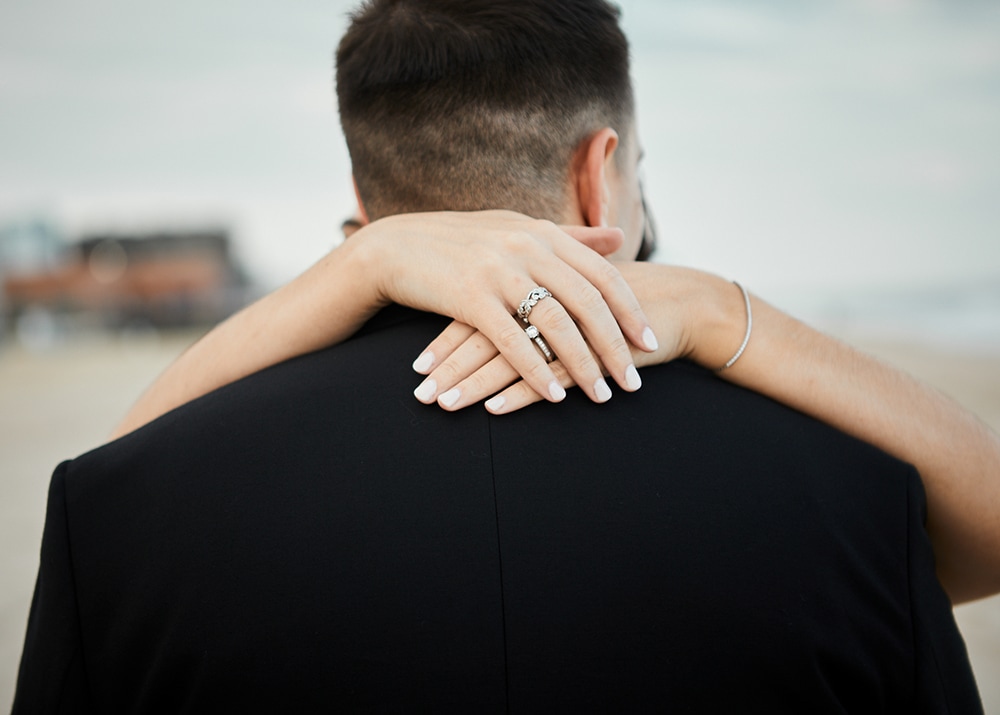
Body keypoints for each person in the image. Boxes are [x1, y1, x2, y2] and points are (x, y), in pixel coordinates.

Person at [14, 0, 993, 710]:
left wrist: (357, 266)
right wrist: (723, 308)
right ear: (598, 177)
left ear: (362, 197)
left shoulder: (128, 516)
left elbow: (112, 481)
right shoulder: (851, 489)